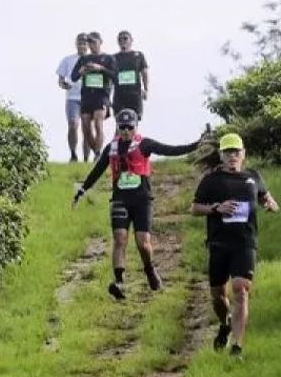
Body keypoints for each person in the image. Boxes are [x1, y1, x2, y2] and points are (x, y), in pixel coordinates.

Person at [72, 109, 205, 300]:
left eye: (130, 127)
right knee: (120, 238)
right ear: (118, 127)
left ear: (136, 126)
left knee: (143, 243)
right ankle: (119, 282)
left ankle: (150, 270)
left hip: (142, 200)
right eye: (122, 127)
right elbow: (97, 170)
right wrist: (82, 190)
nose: (126, 131)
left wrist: (197, 145)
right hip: (120, 199)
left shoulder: (144, 144)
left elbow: (172, 150)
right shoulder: (112, 148)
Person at [190, 132, 279, 359]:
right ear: (221, 154)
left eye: (236, 152)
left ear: (243, 154)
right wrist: (215, 208)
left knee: (240, 289)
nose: (232, 156)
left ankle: (237, 347)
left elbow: (266, 198)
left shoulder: (253, 177)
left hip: (245, 243)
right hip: (219, 243)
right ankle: (224, 323)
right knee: (218, 297)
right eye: (228, 152)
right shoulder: (211, 180)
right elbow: (194, 208)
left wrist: (270, 204)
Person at [69, 32, 115, 159]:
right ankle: (97, 153)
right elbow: (73, 77)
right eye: (89, 42)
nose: (91, 45)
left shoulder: (108, 58)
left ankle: (98, 153)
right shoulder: (84, 59)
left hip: (101, 95)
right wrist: (81, 71)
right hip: (87, 96)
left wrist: (101, 69)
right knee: (85, 127)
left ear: (100, 42)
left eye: (94, 42)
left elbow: (115, 76)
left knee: (98, 124)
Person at [56, 33, 91, 162]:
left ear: (88, 45)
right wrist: (63, 84)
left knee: (87, 128)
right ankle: (73, 153)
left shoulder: (93, 59)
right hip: (72, 98)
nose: (82, 45)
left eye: (85, 43)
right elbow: (60, 79)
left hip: (89, 97)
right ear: (76, 44)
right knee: (73, 124)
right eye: (80, 42)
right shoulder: (68, 60)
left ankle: (87, 157)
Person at [112, 30, 149, 121]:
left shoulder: (138, 55)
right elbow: (109, 76)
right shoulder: (113, 58)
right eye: (120, 39)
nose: (123, 41)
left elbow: (144, 72)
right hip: (119, 95)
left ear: (131, 40)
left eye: (125, 38)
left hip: (134, 94)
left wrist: (146, 89)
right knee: (120, 123)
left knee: (133, 123)